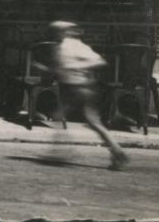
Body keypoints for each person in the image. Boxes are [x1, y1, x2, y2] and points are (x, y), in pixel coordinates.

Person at [36, 21, 129, 170]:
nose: (54, 35)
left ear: (64, 32)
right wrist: (46, 69)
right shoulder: (60, 47)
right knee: (86, 121)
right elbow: (59, 69)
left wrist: (77, 67)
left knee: (66, 118)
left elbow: (100, 62)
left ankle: (60, 151)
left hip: (80, 88)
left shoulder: (74, 46)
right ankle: (116, 151)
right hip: (73, 88)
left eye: (57, 32)